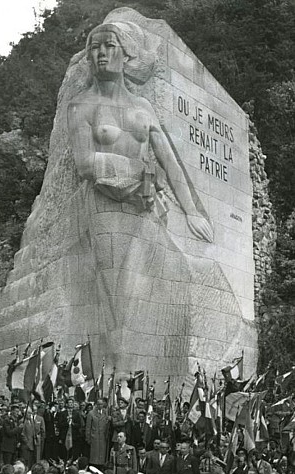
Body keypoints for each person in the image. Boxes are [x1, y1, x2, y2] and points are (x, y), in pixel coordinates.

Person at [66, 19, 214, 373]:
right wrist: (139, 173)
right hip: (106, 209)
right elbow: (85, 164)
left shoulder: (144, 108)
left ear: (126, 54)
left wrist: (193, 211)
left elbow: (171, 163)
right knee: (116, 293)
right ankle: (117, 378)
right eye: (94, 48)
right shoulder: (82, 105)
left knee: (164, 283)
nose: (101, 54)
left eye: (109, 46)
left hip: (146, 210)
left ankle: (150, 375)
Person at [86, 399, 109, 468]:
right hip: (94, 437)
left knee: (102, 455)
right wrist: (88, 438)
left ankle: (101, 466)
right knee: (94, 456)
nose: (100, 406)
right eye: (98, 404)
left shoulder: (105, 412)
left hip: (103, 437)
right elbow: (88, 427)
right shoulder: (91, 413)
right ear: (96, 405)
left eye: (101, 404)